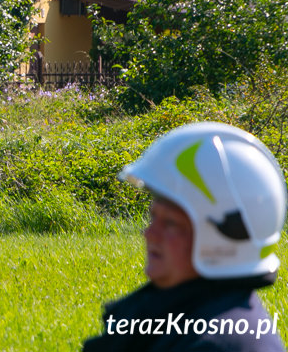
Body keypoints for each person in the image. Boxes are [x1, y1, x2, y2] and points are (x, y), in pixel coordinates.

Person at [82, 122, 286, 352]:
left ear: (225, 237)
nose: (149, 234)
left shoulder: (214, 345)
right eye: (153, 217)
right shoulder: (179, 316)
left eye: (170, 223)